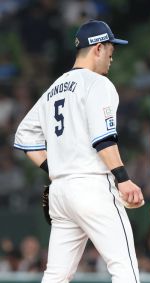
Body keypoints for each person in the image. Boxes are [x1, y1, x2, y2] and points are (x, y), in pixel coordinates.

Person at [13, 20, 143, 283]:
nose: (111, 58)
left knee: (56, 275)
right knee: (124, 268)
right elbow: (103, 140)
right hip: (92, 186)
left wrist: (57, 168)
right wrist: (123, 178)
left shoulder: (52, 90)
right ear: (97, 48)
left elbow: (24, 137)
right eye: (109, 51)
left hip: (61, 192)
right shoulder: (98, 84)